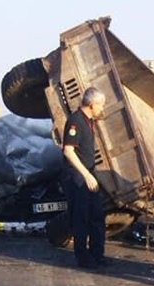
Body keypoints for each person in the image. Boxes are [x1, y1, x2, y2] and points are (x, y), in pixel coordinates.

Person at [62, 87, 108, 269]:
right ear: (91, 104)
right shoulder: (75, 121)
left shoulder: (89, 121)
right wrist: (86, 174)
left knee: (97, 214)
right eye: (101, 105)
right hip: (77, 176)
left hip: (89, 173)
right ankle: (83, 257)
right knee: (80, 217)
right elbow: (68, 151)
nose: (102, 109)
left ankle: (97, 254)